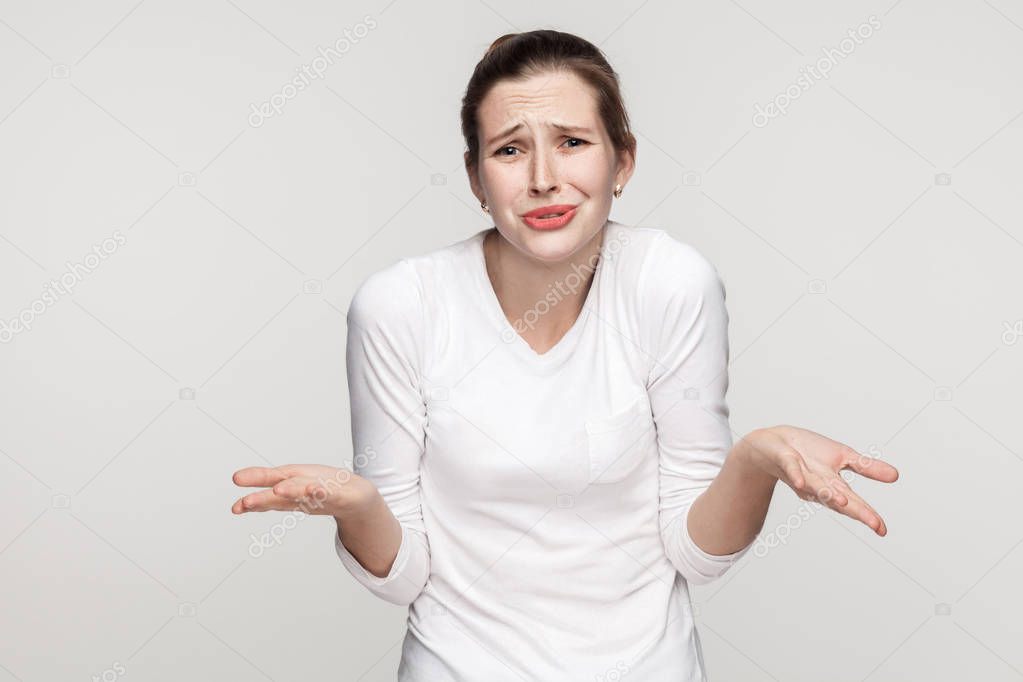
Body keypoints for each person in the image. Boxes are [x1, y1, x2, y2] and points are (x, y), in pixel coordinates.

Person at [231, 29, 899, 681]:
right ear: (475, 176)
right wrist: (358, 504)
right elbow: (403, 575)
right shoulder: (400, 306)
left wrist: (754, 460)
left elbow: (695, 555)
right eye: (509, 150)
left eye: (573, 142)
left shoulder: (668, 282)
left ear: (622, 162)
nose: (544, 179)